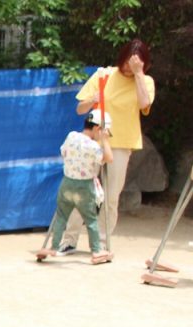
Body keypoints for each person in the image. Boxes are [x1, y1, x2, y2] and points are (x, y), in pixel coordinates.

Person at [57, 38, 155, 254]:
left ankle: (100, 242)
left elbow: (144, 104)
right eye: (127, 63)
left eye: (134, 64)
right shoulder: (104, 75)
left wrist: (138, 74)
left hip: (121, 144)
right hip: (94, 142)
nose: (128, 68)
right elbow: (80, 109)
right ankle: (70, 239)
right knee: (81, 189)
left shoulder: (145, 81)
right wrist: (92, 99)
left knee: (111, 196)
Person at [37, 110, 115, 264]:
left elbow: (63, 152)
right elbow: (109, 158)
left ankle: (54, 246)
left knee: (61, 216)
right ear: (97, 128)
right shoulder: (93, 146)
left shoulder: (71, 136)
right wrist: (105, 141)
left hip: (67, 183)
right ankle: (96, 251)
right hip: (84, 186)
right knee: (91, 219)